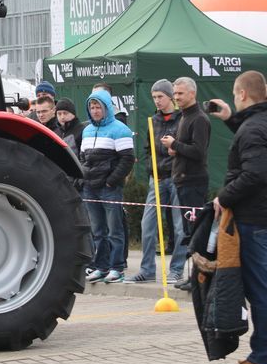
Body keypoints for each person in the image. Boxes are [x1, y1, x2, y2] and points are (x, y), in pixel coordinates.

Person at [207, 71, 267, 364]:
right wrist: (231, 119)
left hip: (254, 220)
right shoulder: (258, 123)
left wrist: (224, 197)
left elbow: (255, 173)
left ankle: (262, 356)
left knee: (260, 291)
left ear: (242, 94)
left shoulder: (254, 128)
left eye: (234, 93)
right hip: (261, 219)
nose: (233, 98)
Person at [127, 79, 185, 283]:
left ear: (171, 97)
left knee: (180, 227)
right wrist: (150, 166)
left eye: (160, 96)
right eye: (154, 97)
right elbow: (146, 148)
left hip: (177, 179)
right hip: (157, 179)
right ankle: (147, 269)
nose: (157, 101)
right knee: (147, 224)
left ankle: (177, 269)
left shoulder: (182, 119)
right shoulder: (153, 120)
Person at [161, 76, 210, 290]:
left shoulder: (199, 118)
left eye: (180, 93)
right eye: (175, 93)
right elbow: (186, 148)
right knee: (189, 232)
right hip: (182, 181)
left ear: (192, 93)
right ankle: (193, 276)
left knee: (195, 232)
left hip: (193, 182)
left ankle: (199, 277)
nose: (176, 97)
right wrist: (175, 149)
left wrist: (176, 145)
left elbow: (199, 152)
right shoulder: (184, 117)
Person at [81, 88, 134, 284]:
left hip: (110, 188)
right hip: (90, 187)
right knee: (97, 230)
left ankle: (117, 267)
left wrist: (112, 180)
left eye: (98, 107)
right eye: (92, 107)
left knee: (115, 230)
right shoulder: (86, 130)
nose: (95, 110)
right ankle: (100, 266)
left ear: (106, 108)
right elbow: (83, 158)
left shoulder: (120, 129)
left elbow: (127, 159)